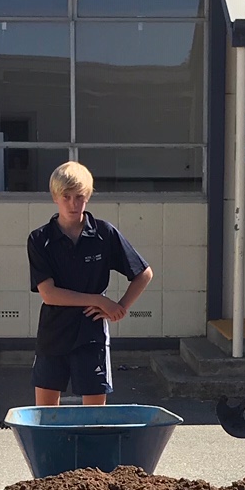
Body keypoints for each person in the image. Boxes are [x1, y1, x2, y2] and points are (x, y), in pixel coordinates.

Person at [26, 161, 153, 406]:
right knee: (45, 416)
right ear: (55, 197)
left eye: (80, 197)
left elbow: (143, 273)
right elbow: (49, 294)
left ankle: (92, 446)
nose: (73, 204)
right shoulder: (40, 239)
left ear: (89, 196)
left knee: (95, 415)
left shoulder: (104, 234)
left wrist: (122, 306)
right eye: (66, 197)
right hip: (53, 333)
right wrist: (98, 299)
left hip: (91, 333)